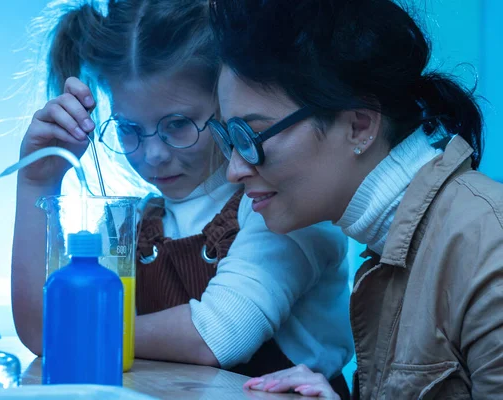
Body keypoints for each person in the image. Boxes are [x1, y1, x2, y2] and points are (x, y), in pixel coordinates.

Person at [11, 0, 353, 394]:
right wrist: (37, 182)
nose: (153, 154)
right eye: (128, 129)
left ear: (228, 103)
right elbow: (42, 330)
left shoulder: (285, 208)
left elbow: (217, 335)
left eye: (178, 124)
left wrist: (80, 326)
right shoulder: (133, 224)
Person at [208, 0, 503, 398]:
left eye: (251, 137)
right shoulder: (389, 243)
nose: (234, 170)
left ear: (359, 126)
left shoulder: (488, 245)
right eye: (228, 139)